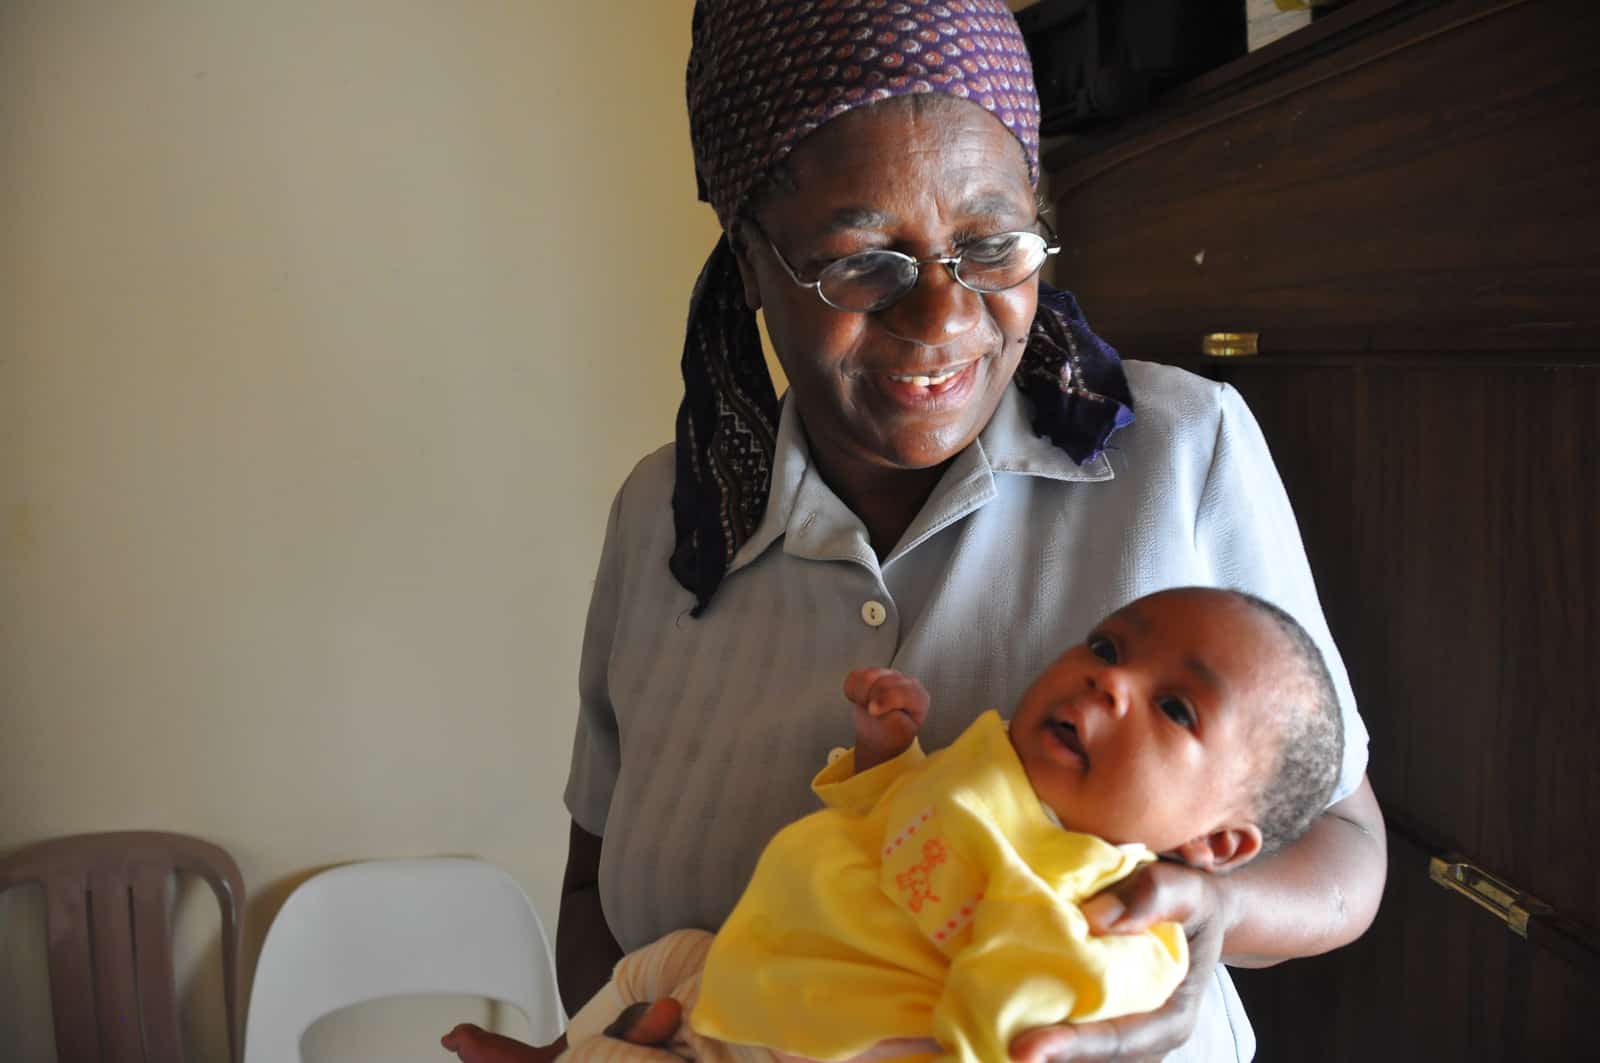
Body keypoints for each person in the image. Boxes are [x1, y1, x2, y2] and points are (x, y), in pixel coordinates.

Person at [448, 1, 1387, 1060]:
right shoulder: (668, 519)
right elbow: (594, 884)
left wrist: (1218, 910)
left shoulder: (1180, 451)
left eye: (989, 244)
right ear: (751, 263)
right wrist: (612, 1040)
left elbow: (1347, 850)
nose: (943, 316)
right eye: (861, 263)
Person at [519, 587, 1343, 1063]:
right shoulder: (991, 767)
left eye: (1174, 706)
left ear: (1216, 843)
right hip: (736, 984)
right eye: (1104, 644)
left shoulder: (1097, 908)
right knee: (650, 966)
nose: (1109, 681)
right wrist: (886, 752)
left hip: (818, 1047)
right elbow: (902, 820)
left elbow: (1007, 1031)